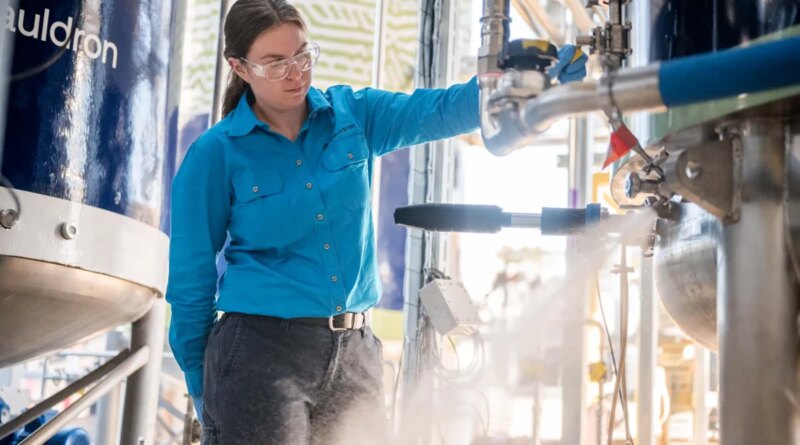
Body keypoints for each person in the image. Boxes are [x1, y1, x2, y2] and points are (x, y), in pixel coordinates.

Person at [166, 1, 587, 443]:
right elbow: (191, 288)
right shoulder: (215, 154)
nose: (296, 73)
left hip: (356, 354)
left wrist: (531, 89)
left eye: (303, 56)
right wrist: (204, 391)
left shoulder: (354, 115)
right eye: (276, 64)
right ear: (240, 67)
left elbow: (441, 109)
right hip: (259, 356)